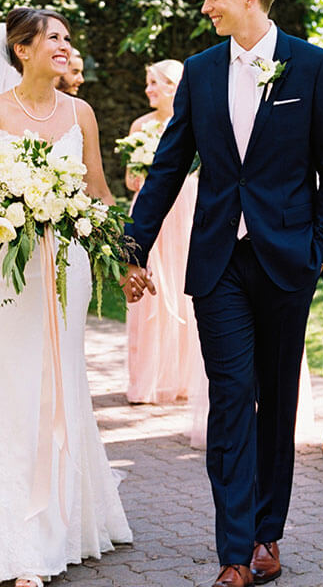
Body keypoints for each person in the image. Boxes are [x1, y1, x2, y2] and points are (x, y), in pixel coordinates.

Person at [125, 0, 323, 587]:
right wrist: (134, 243)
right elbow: (170, 165)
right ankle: (233, 551)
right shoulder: (199, 72)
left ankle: (266, 534)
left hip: (288, 260)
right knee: (230, 397)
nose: (205, 7)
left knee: (276, 399)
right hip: (219, 258)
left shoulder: (314, 65)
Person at [0, 8, 131, 587]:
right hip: (6, 276)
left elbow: (99, 190)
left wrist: (126, 255)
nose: (64, 45)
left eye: (67, 36)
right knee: (13, 389)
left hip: (68, 268)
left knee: (63, 382)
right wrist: (17, 212)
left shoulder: (80, 112)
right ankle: (15, 539)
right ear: (22, 49)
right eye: (52, 38)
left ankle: (69, 518)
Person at [124, 59, 199, 405]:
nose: (148, 89)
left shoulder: (192, 119)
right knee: (151, 287)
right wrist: (140, 175)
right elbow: (129, 180)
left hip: (184, 207)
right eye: (148, 82)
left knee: (183, 285)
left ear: (173, 86)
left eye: (155, 83)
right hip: (150, 211)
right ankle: (148, 377)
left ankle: (182, 377)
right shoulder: (139, 125)